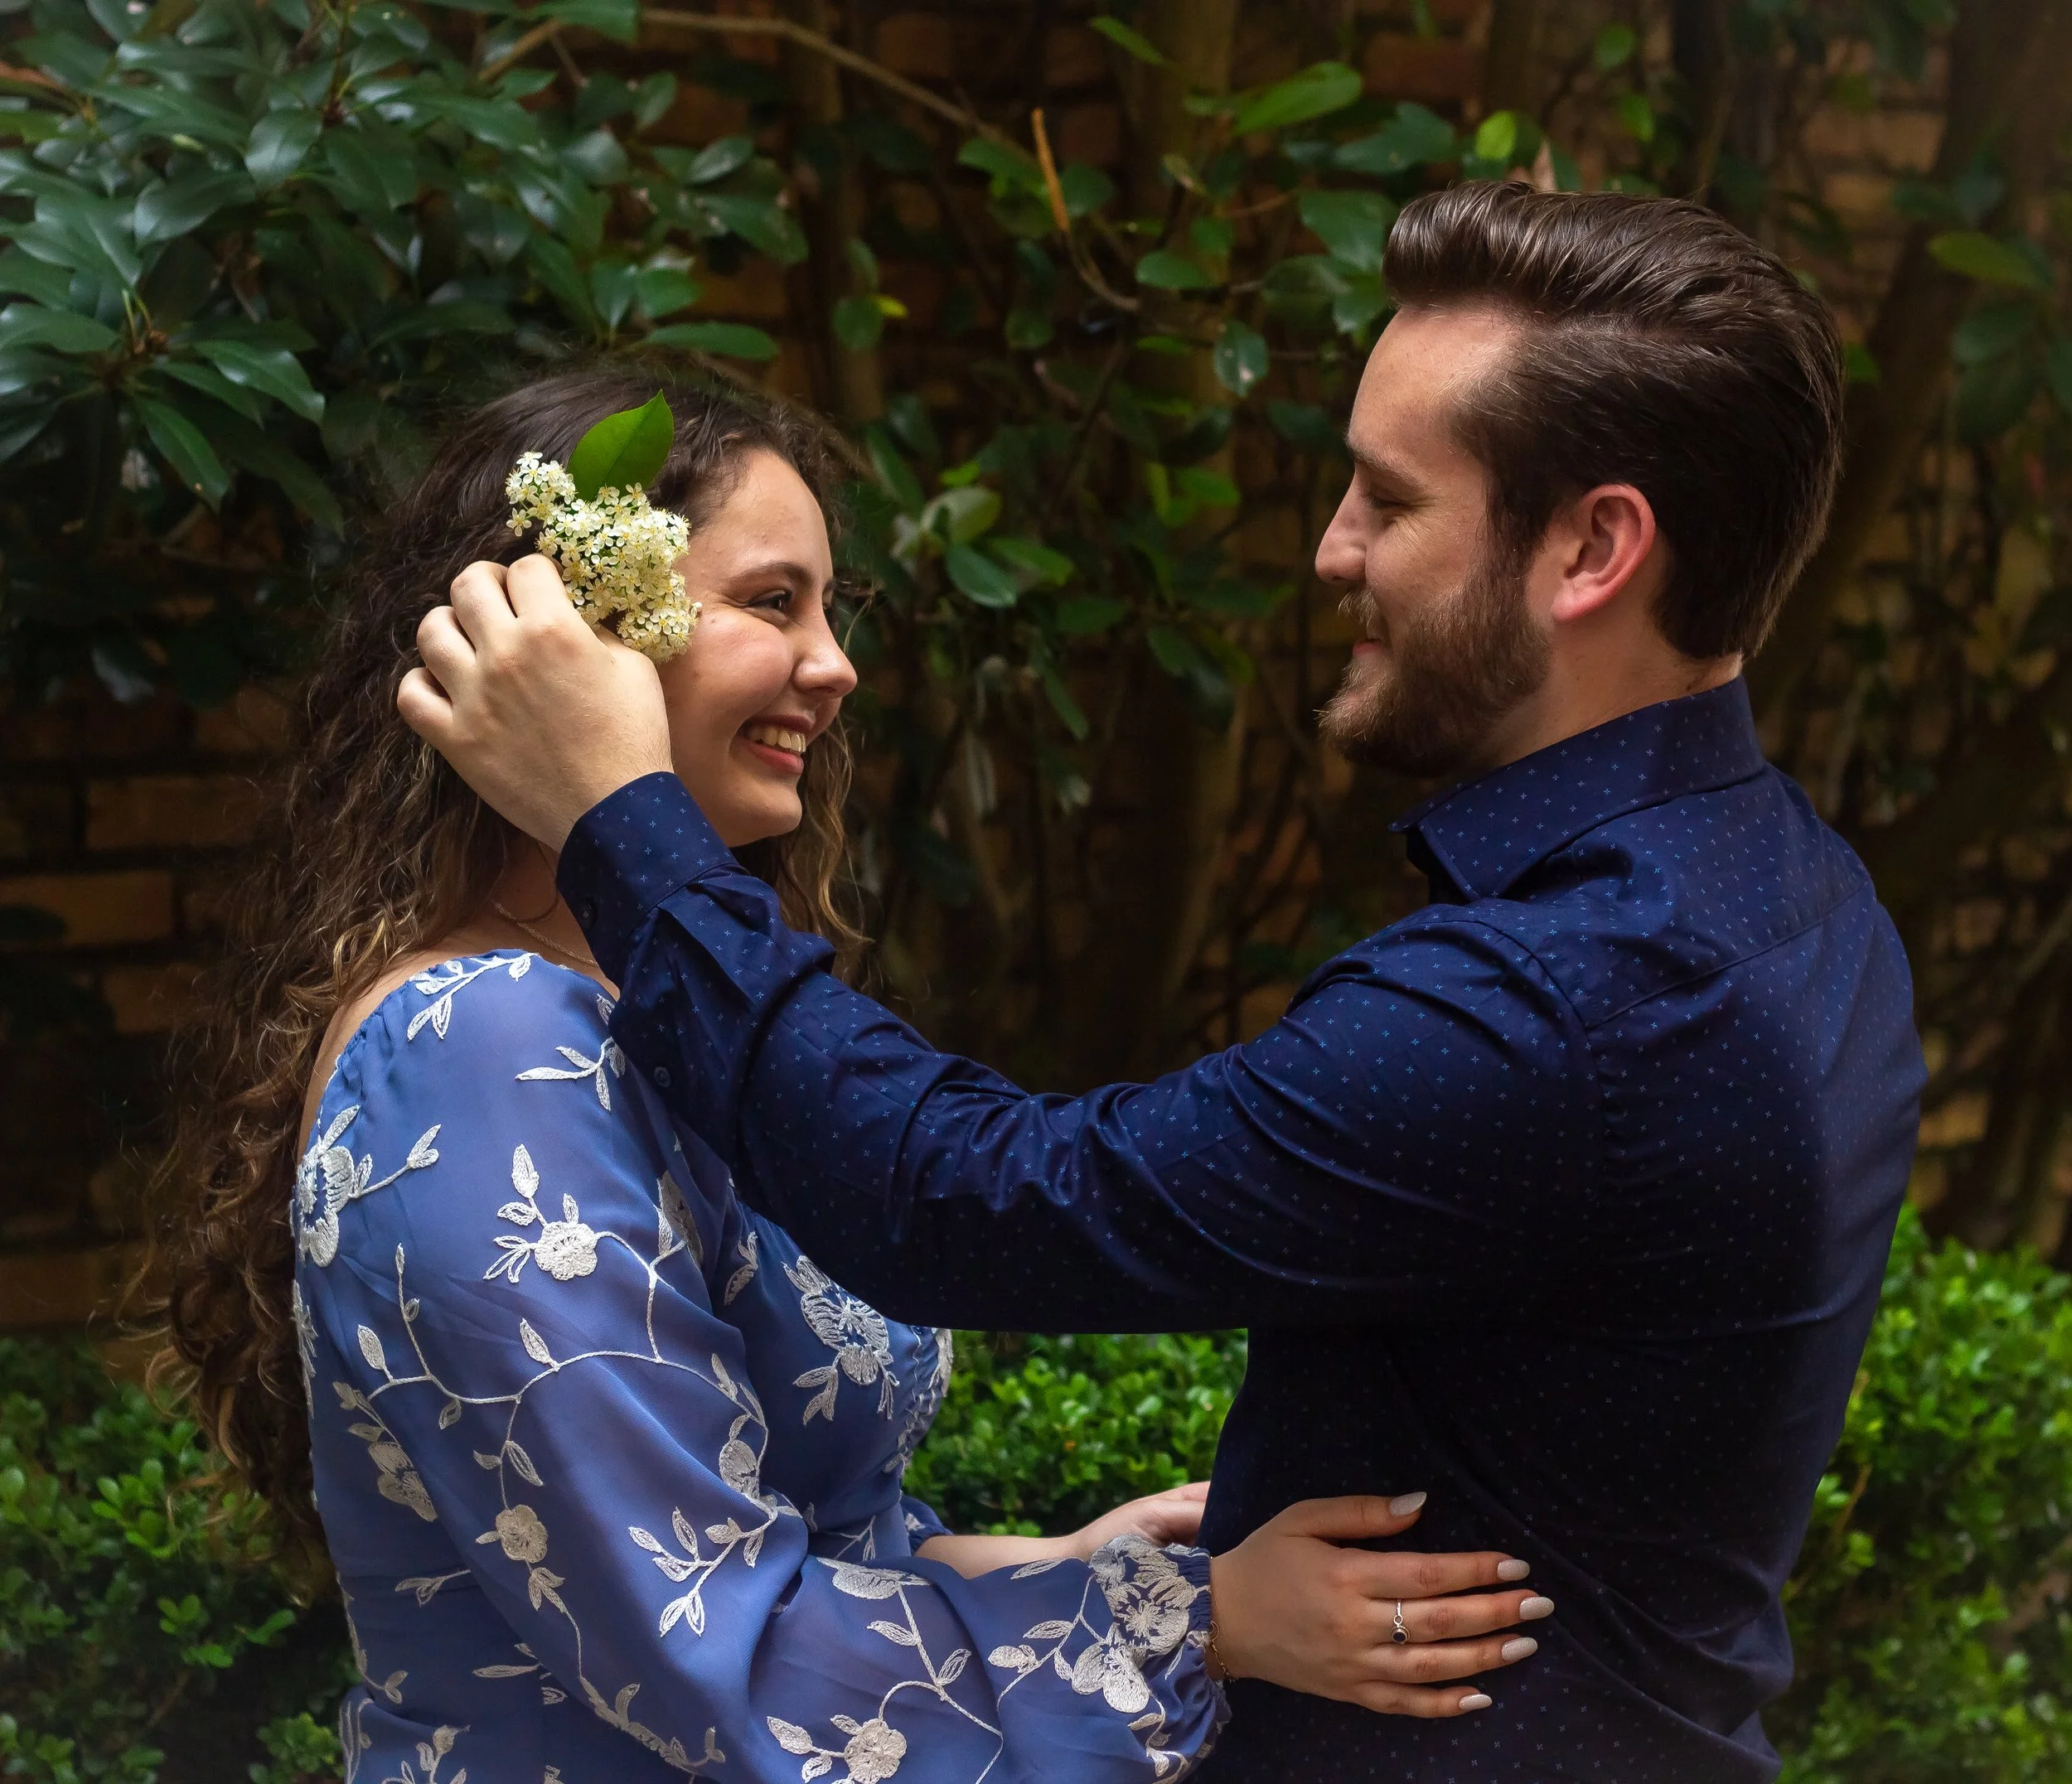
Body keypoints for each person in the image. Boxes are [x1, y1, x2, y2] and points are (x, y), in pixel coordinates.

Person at [402, 184, 1929, 1782]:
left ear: (1594, 549)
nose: (1332, 549)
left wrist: (623, 825)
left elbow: (964, 1198)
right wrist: (1112, 1591)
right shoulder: (1802, 898)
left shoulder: (1561, 1003)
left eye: (1390, 500)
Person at [154, 369, 1552, 1784]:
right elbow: (706, 1645)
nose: (835, 666)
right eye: (774, 603)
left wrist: (1061, 1563)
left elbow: (794, 1535)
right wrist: (1196, 1622)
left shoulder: (654, 1015)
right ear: (572, 633)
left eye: (831, 610)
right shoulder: (483, 1048)